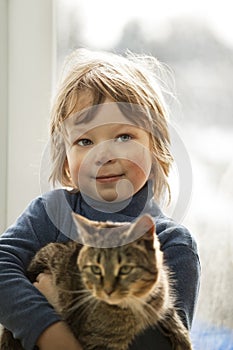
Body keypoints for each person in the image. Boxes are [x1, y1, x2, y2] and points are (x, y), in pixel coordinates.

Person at [0, 48, 200, 350]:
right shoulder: (50, 213)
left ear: (155, 146)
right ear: (66, 162)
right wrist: (49, 330)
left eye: (123, 137)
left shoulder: (173, 243)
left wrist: (59, 302)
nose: (103, 155)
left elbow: (163, 344)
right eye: (84, 141)